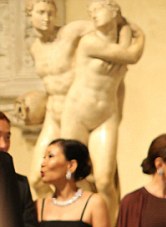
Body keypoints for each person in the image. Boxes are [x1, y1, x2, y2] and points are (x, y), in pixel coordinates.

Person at [25, 0, 142, 206]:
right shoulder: (34, 48)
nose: (46, 19)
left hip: (79, 110)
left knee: (92, 178)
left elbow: (116, 23)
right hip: (54, 115)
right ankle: (50, 224)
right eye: (41, 13)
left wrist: (125, 43)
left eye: (51, 13)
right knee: (37, 178)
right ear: (30, 15)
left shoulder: (72, 32)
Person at [59, 0, 145, 222]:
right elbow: (132, 55)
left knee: (105, 179)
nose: (92, 14)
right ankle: (80, 226)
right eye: (90, 11)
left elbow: (125, 50)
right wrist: (140, 35)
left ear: (113, 10)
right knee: (74, 176)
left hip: (105, 115)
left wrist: (124, 29)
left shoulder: (119, 44)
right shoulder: (89, 42)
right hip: (77, 112)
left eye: (98, 9)